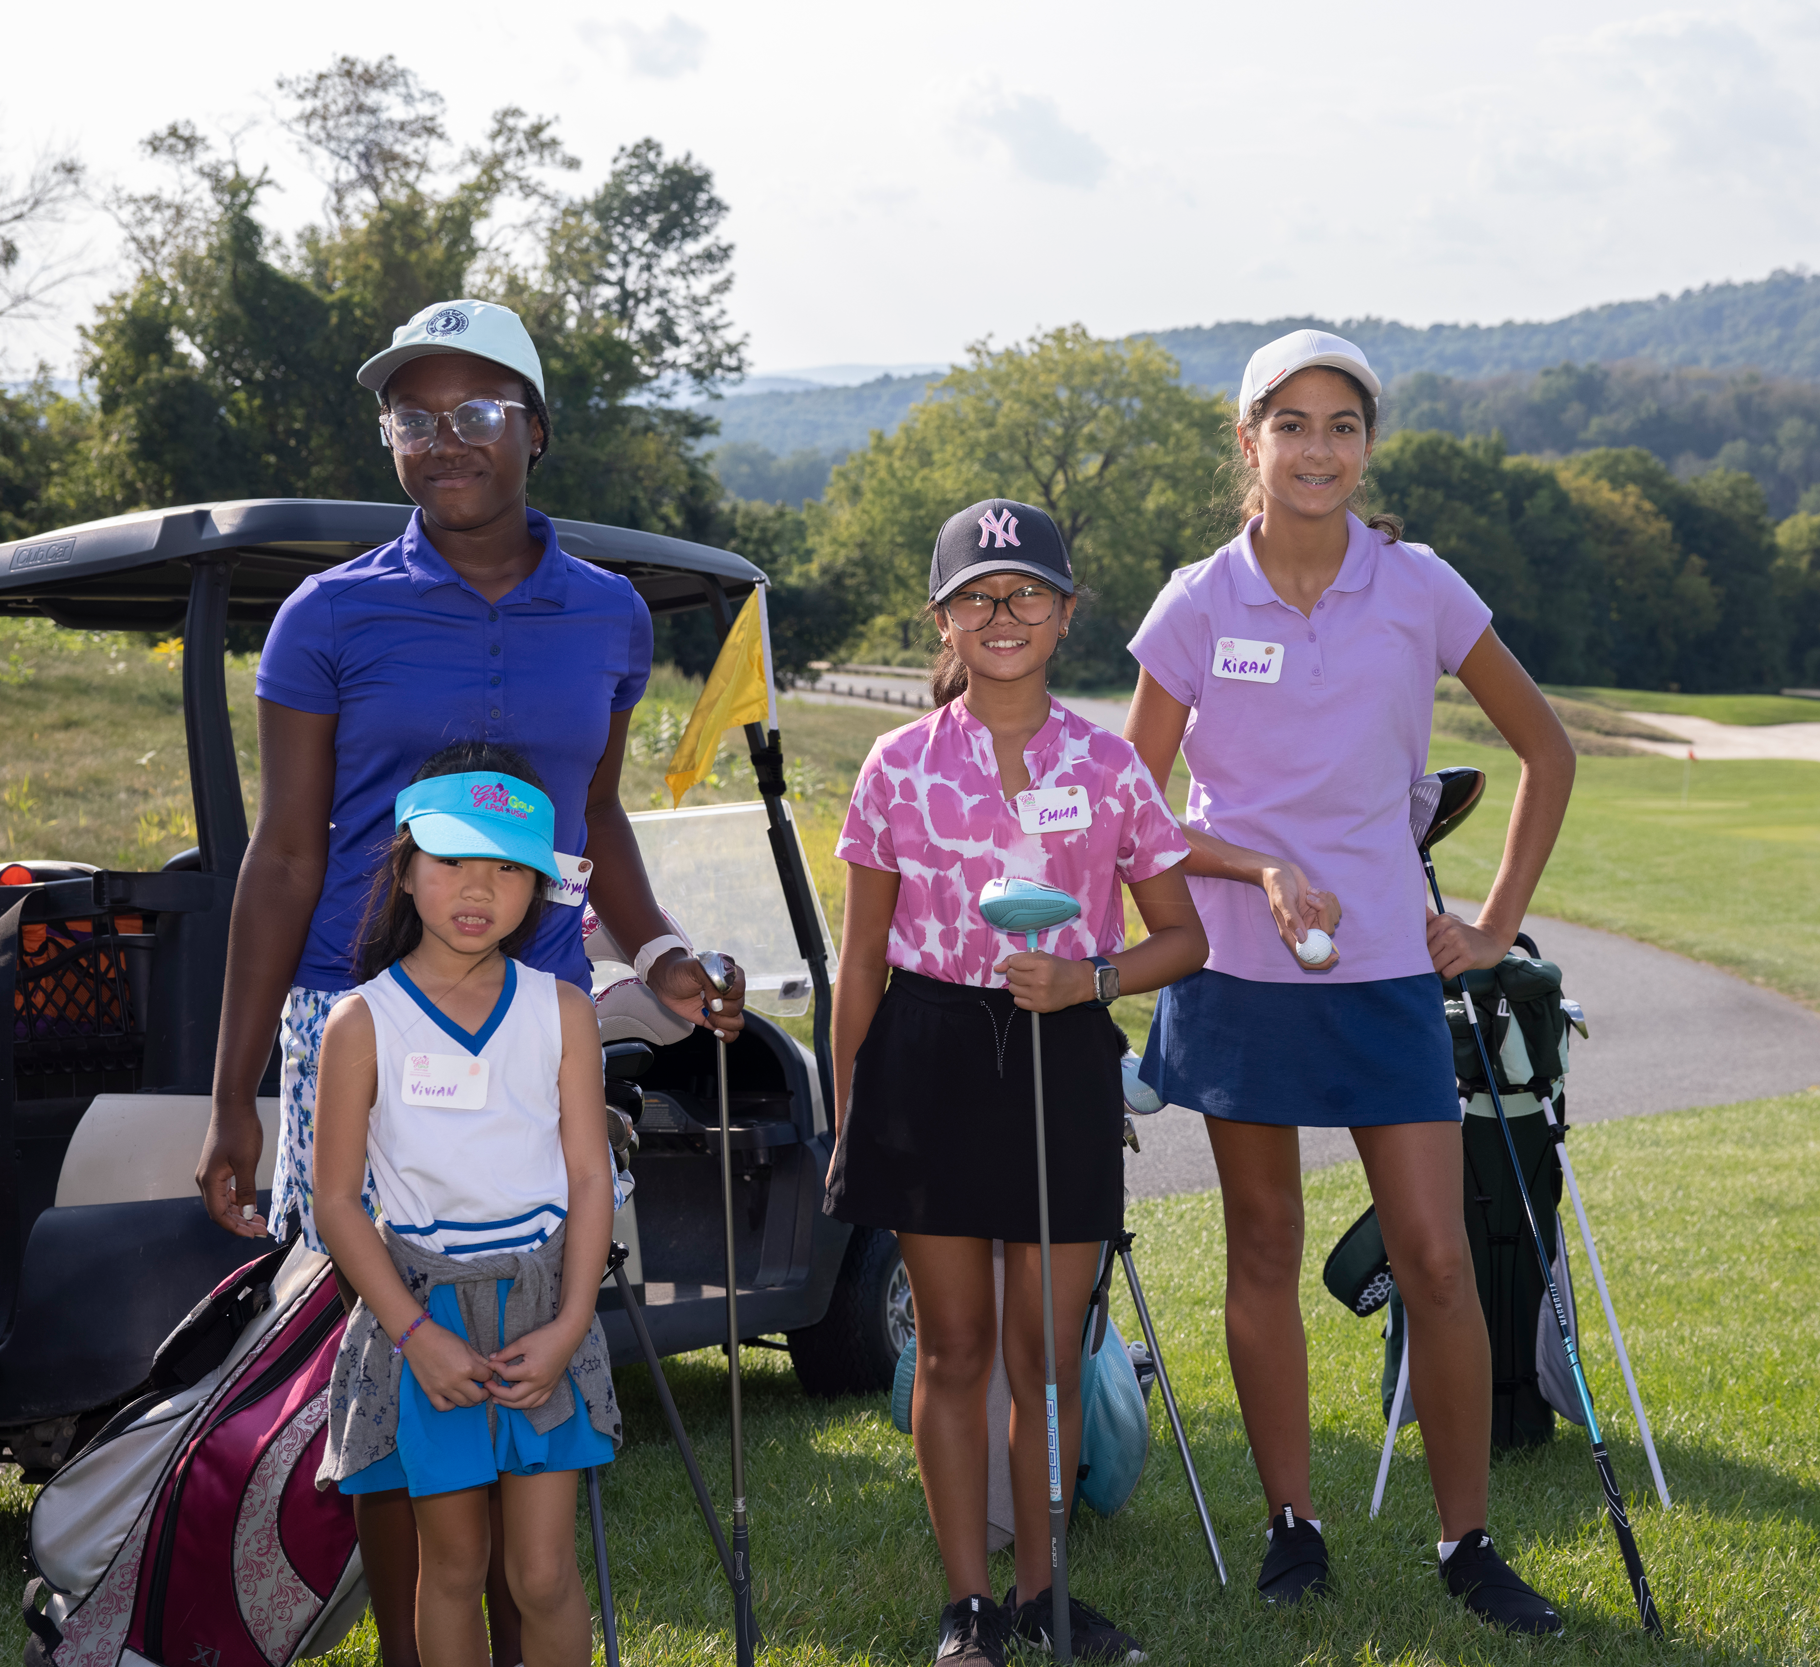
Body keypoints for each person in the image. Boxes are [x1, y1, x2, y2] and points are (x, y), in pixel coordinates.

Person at [190, 297, 741, 1665]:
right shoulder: (330, 614)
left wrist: (660, 948)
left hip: (534, 1023)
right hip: (356, 1021)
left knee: (519, 1344)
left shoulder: (611, 618)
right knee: (386, 1386)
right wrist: (235, 1093)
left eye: (477, 412)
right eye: (414, 418)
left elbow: (594, 821)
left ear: (536, 431)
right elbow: (286, 852)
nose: (444, 442)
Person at [1123, 330, 1577, 1634]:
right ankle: (1293, 1522)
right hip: (1237, 969)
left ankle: (1466, 1538)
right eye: (1293, 424)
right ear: (1249, 442)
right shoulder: (1198, 601)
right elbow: (1127, 808)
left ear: (1366, 445)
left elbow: (1544, 749)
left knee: (1437, 1257)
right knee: (1262, 1242)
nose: (1319, 449)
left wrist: (1492, 922)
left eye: (1343, 425)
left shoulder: (1420, 586)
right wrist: (1253, 864)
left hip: (1383, 965)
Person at [828, 500, 1208, 1667]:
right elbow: (859, 958)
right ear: (942, 616)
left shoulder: (1108, 764)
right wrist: (849, 1112)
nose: (1004, 615)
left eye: (1027, 594)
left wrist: (1090, 976)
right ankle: (969, 1606)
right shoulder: (896, 762)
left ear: (1065, 613)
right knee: (949, 1347)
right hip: (929, 1055)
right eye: (978, 596)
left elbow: (1182, 937)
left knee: (1045, 1350)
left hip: (1061, 1057)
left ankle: (1044, 1591)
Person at [312, 746, 619, 1667]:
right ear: (405, 868)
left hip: (541, 1314)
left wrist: (571, 1324)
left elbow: (591, 1177)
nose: (477, 888)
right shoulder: (361, 1021)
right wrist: (415, 1337)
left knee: (544, 1573)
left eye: (508, 867)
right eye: (451, 860)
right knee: (450, 1568)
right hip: (426, 1318)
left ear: (541, 885)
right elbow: (336, 1201)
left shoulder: (562, 1008)